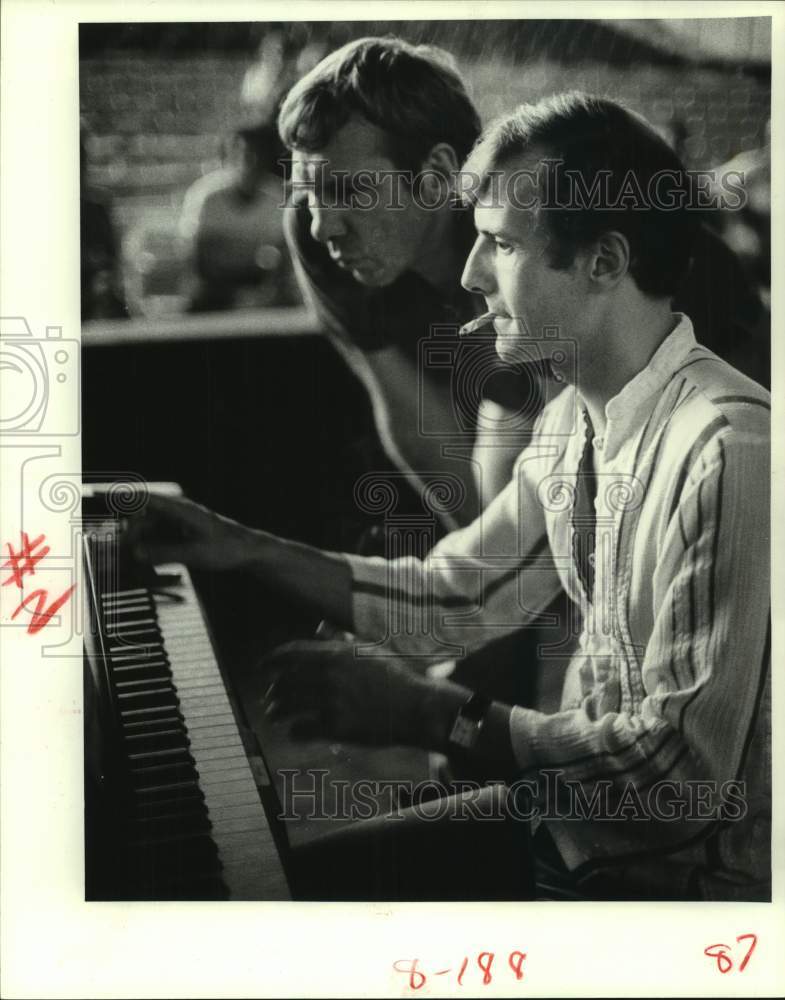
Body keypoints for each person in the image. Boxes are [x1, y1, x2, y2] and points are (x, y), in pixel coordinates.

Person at [133, 93, 770, 903]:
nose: (470, 274)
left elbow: (680, 774)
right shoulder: (575, 419)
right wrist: (243, 546)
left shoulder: (729, 449)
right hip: (573, 830)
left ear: (604, 262)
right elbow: (457, 596)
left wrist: (433, 715)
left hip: (687, 896)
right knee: (268, 893)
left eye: (499, 243)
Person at [178, 122, 299, 312]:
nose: (250, 162)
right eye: (242, 154)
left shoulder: (277, 195)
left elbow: (283, 258)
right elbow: (199, 260)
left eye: (257, 154)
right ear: (228, 157)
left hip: (263, 286)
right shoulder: (207, 195)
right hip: (216, 288)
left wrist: (266, 290)